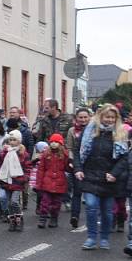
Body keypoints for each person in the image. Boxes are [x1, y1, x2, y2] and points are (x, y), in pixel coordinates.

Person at [73, 104, 129, 250]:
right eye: (107, 116)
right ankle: (91, 237)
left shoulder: (120, 133)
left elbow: (124, 158)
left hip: (108, 178)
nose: (109, 120)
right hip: (90, 175)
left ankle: (104, 237)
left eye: (112, 117)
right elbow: (78, 150)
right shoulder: (89, 130)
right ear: (101, 117)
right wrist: (78, 169)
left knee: (107, 211)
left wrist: (114, 174)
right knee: (91, 205)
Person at [0, 130, 32, 231]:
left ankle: (19, 220)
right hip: (7, 181)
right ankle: (12, 221)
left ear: (19, 141)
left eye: (14, 140)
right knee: (8, 203)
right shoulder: (5, 153)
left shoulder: (23, 154)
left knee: (14, 202)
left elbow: (27, 167)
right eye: (10, 140)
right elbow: (0, 165)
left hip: (17, 182)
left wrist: (25, 178)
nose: (12, 142)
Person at [35, 133, 69, 228]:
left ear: (60, 143)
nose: (53, 144)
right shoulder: (46, 155)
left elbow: (67, 168)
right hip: (47, 182)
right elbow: (41, 169)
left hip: (59, 182)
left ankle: (54, 218)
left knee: (56, 203)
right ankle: (43, 219)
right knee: (45, 202)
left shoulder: (64, 155)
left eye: (56, 142)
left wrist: (71, 165)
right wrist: (39, 183)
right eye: (52, 142)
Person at [66, 108, 91, 228]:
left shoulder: (94, 130)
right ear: (76, 118)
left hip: (92, 165)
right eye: (80, 117)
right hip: (77, 164)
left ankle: (94, 217)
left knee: (92, 193)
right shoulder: (71, 131)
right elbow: (69, 148)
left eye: (85, 117)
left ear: (89, 117)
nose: (83, 119)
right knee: (77, 191)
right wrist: (72, 161)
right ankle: (74, 216)